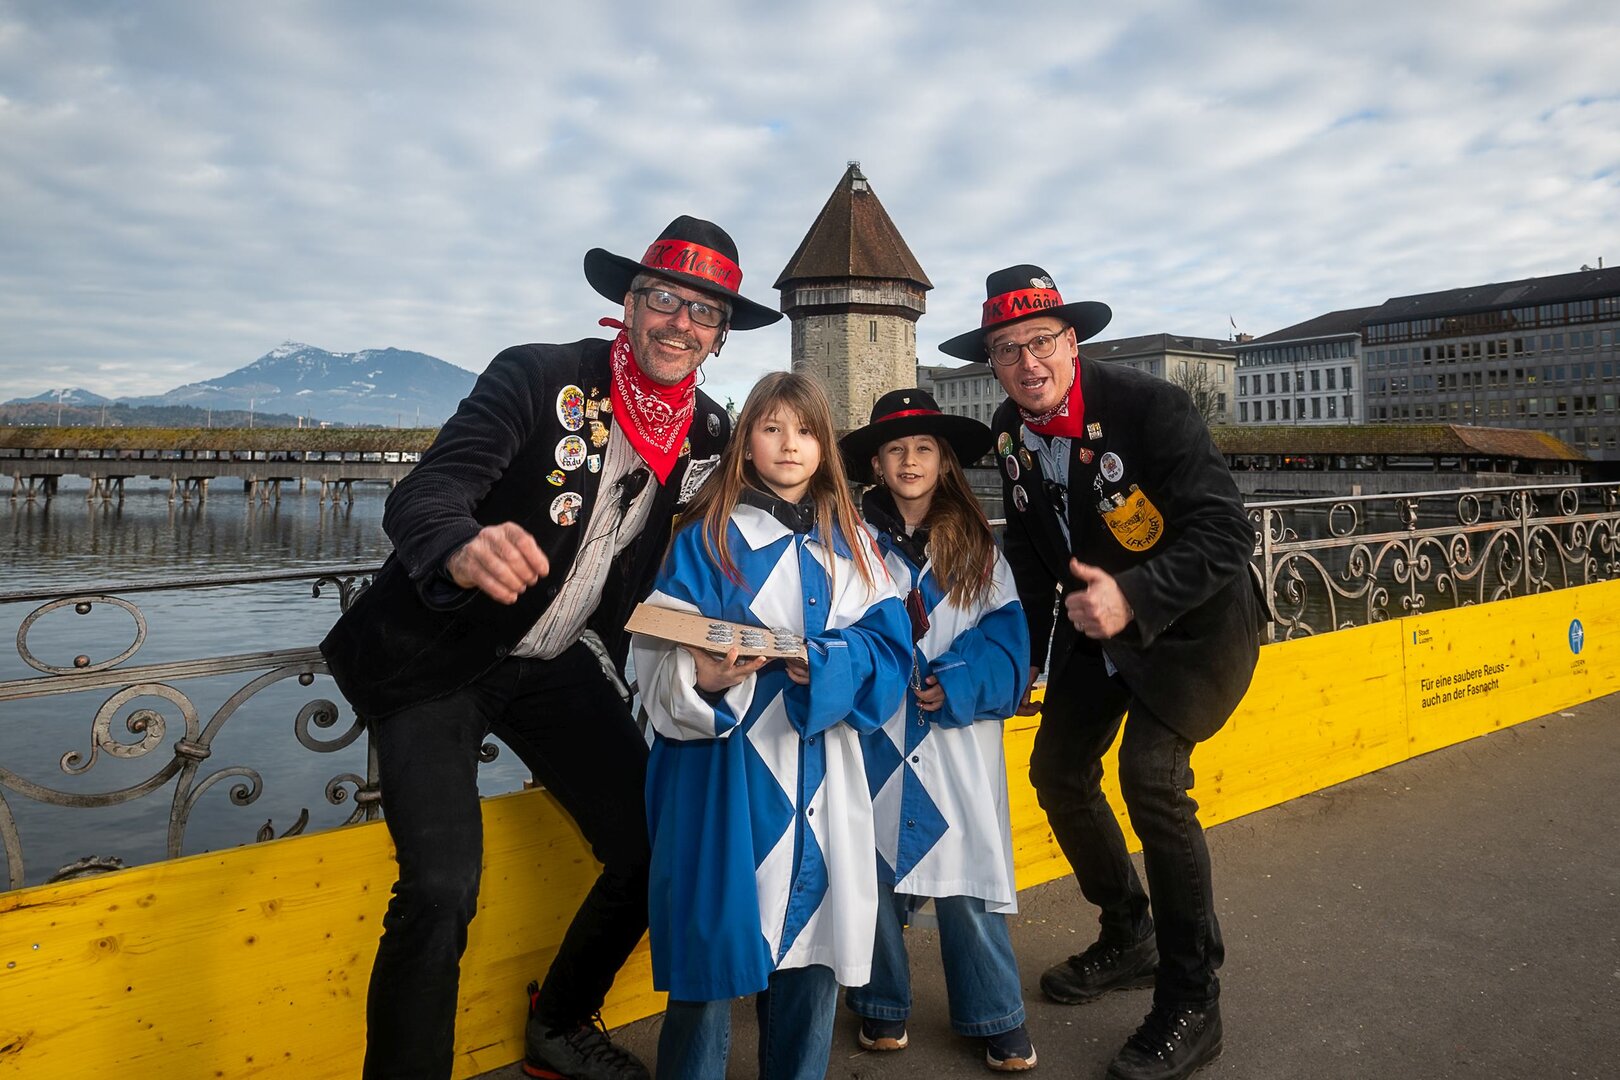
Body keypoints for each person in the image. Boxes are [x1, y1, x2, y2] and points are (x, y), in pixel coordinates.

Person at [319, 216, 782, 1080]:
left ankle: (558, 1024)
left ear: (720, 336)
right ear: (629, 304)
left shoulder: (708, 431)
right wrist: (461, 545)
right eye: (665, 299)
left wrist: (719, 644)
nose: (681, 323)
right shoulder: (539, 375)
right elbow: (427, 491)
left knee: (655, 847)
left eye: (704, 312)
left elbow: (688, 558)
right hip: (439, 652)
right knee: (441, 888)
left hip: (553, 658)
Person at [938, 266, 1262, 1080]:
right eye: (1006, 350)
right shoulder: (1010, 431)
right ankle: (1129, 931)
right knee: (1057, 772)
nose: (1027, 363)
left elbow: (1228, 534)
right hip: (1097, 633)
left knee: (1152, 780)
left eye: (1040, 341)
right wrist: (1021, 655)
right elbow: (1030, 549)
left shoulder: (1152, 407)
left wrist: (1134, 596)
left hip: (1193, 626)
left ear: (1072, 341)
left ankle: (1193, 1000)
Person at [630, 371, 911, 1080]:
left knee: (811, 964)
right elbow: (654, 655)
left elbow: (890, 653)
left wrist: (831, 666)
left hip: (823, 775)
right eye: (772, 428)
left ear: (826, 447)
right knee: (709, 968)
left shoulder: (856, 545)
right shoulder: (704, 540)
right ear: (747, 442)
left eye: (807, 431)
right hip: (722, 781)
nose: (790, 445)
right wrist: (702, 679)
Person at [836, 390, 1037, 1072]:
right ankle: (879, 1000)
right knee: (870, 871)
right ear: (876, 464)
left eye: (923, 447)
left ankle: (996, 1010)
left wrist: (960, 680)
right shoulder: (850, 543)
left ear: (943, 460)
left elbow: (1007, 641)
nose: (910, 460)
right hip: (876, 735)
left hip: (955, 739)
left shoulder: (979, 548)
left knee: (966, 879)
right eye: (895, 449)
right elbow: (832, 626)